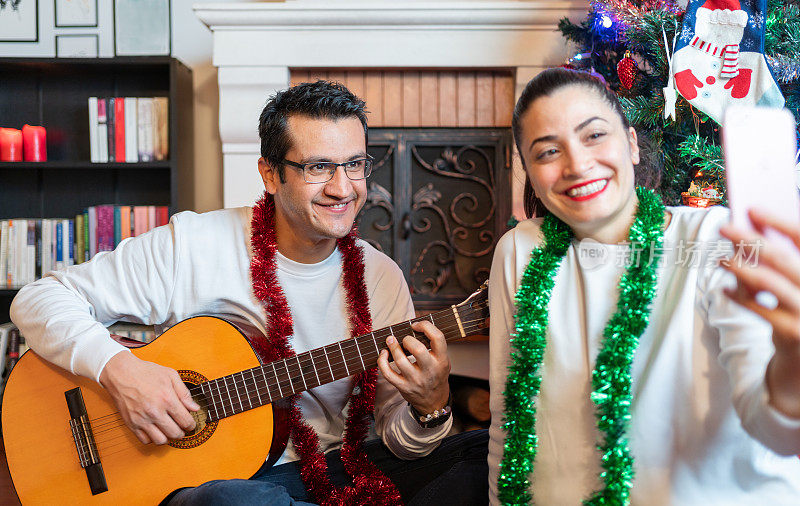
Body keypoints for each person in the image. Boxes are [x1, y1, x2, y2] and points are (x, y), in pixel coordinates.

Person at [10, 80, 489, 505]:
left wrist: (431, 407)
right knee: (235, 500)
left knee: (481, 454)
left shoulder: (380, 278)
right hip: (205, 485)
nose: (343, 188)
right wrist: (121, 372)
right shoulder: (193, 244)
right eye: (319, 167)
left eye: (356, 164)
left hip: (328, 473)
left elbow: (398, 440)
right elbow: (37, 299)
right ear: (270, 173)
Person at [487, 67, 800, 505]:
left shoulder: (718, 238)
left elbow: (778, 430)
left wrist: (793, 359)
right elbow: (507, 421)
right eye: (548, 152)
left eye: (594, 135)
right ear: (531, 175)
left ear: (631, 144)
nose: (577, 164)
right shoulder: (519, 250)